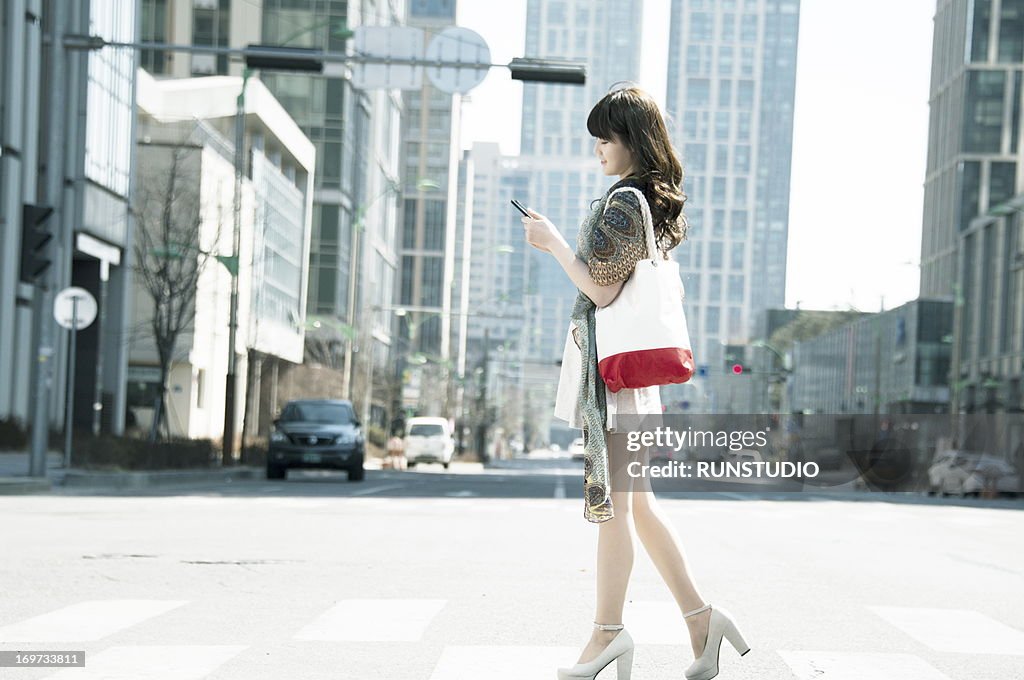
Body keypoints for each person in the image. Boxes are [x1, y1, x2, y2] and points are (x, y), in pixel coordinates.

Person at [521, 83, 750, 680]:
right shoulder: (648, 202)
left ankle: (608, 635)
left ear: (633, 141)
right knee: (639, 506)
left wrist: (552, 245)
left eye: (607, 137)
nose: (598, 147)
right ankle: (702, 621)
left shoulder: (624, 204)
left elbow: (599, 289)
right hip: (634, 381)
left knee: (617, 509)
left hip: (617, 382)